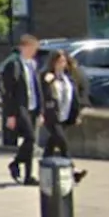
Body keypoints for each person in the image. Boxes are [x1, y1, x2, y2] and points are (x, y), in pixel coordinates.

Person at [39, 50, 88, 184]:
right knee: (62, 142)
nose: (62, 64)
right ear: (53, 62)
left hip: (65, 115)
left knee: (51, 144)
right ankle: (73, 170)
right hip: (52, 115)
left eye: (64, 62)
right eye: (59, 62)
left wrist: (77, 114)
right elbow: (43, 95)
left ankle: (44, 168)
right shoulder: (47, 76)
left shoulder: (68, 78)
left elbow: (75, 96)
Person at [0, 34, 41, 186]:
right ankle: (16, 163)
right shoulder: (14, 65)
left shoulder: (33, 64)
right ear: (24, 47)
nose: (34, 51)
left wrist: (40, 110)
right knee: (30, 138)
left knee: (31, 142)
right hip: (20, 107)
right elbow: (8, 92)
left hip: (33, 106)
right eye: (32, 48)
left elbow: (37, 88)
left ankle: (29, 175)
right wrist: (10, 114)